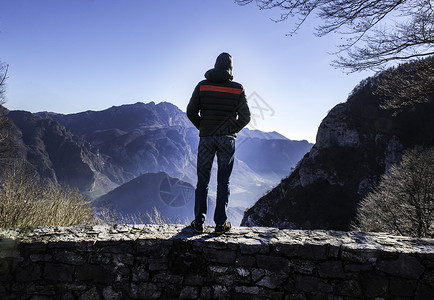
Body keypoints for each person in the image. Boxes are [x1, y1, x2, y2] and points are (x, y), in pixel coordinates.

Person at [186, 52, 251, 235]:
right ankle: (220, 224)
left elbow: (191, 111)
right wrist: (232, 129)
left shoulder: (202, 86)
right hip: (227, 140)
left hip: (206, 138)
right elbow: (246, 116)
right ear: (230, 68)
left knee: (202, 181)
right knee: (224, 181)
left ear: (215, 65)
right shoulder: (238, 88)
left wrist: (204, 128)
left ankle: (198, 222)